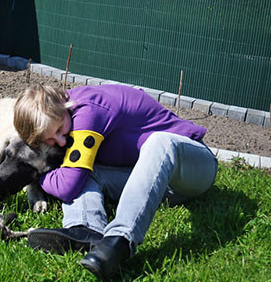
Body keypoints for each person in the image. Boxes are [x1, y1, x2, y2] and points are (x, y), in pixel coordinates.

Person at [13, 83, 218, 280]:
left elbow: (67, 186)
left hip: (193, 168)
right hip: (152, 180)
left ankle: (119, 243)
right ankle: (86, 230)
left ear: (63, 105)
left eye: (59, 129)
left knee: (159, 141)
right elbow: (72, 176)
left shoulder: (88, 111)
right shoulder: (63, 111)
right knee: (85, 171)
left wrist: (37, 174)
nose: (61, 141)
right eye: (50, 140)